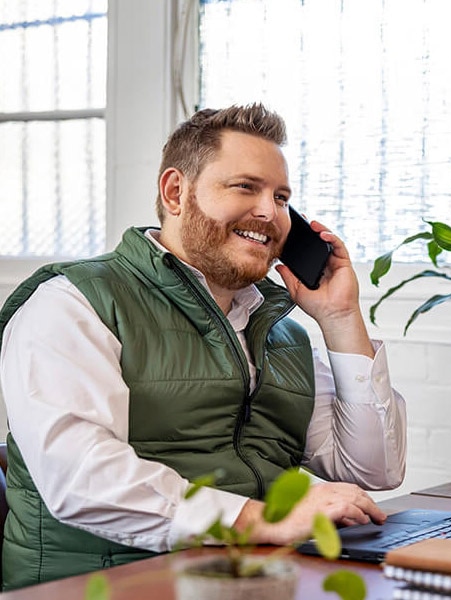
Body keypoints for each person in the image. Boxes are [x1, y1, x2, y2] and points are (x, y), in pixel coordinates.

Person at [0, 103, 406, 590]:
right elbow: (82, 480)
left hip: (246, 578)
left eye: (281, 197)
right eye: (245, 187)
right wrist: (260, 521)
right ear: (176, 192)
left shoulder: (281, 333)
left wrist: (341, 319)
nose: (269, 213)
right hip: (102, 584)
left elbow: (374, 468)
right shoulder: (75, 303)